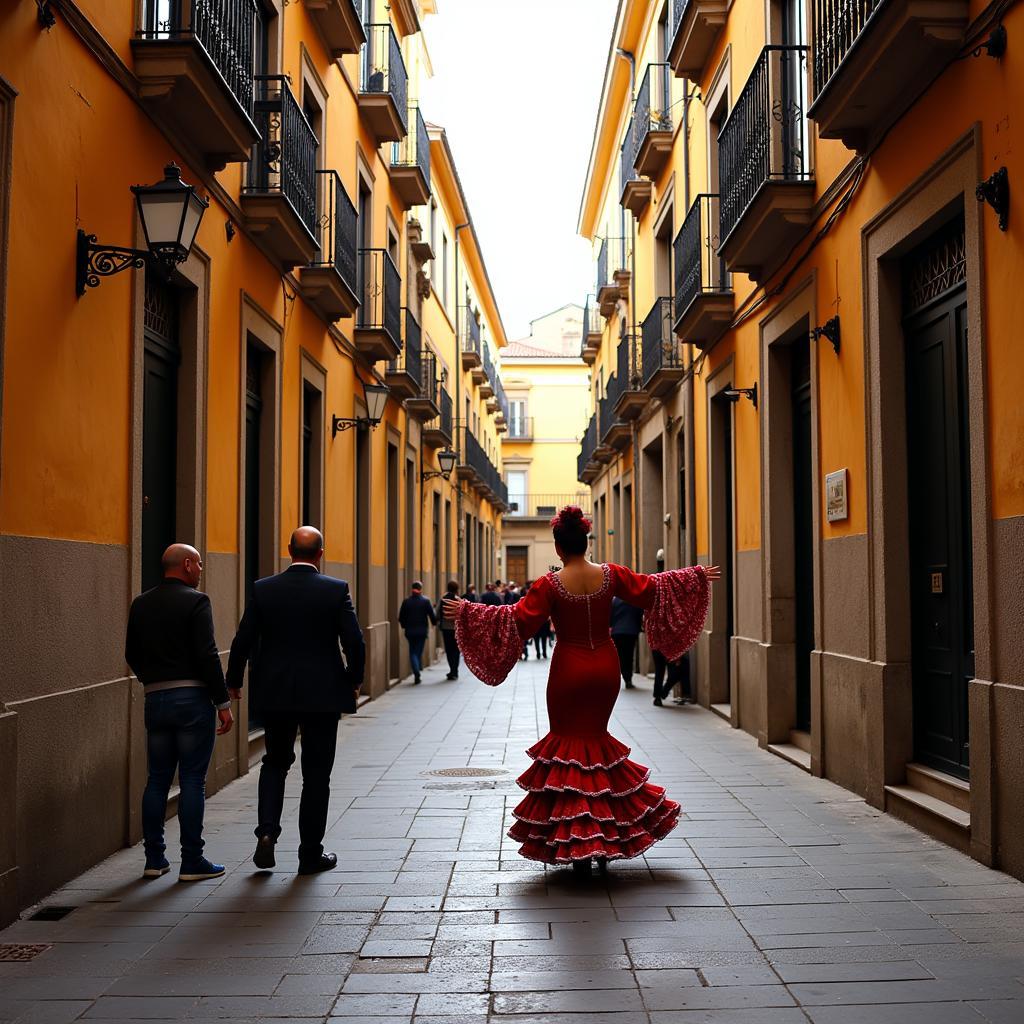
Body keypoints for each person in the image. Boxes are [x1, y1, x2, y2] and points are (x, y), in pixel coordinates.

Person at [444, 505, 717, 875]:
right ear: (586, 542)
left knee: (568, 747)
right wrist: (694, 576)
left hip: (568, 669)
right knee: (596, 743)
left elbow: (518, 620)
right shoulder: (610, 575)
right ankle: (606, 843)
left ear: (558, 548)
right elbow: (651, 587)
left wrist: (468, 611)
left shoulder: (549, 584)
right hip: (605, 665)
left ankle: (579, 842)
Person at [226, 526, 365, 876]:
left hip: (276, 693)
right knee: (316, 775)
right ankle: (309, 854)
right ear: (321, 553)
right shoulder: (335, 590)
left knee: (274, 762)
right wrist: (353, 679)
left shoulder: (264, 589)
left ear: (289, 550)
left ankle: (268, 832)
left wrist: (233, 682)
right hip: (322, 694)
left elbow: (243, 638)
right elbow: (354, 641)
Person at [125, 543, 234, 882]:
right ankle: (192, 861)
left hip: (155, 700)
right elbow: (207, 654)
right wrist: (223, 703)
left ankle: (154, 860)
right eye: (199, 564)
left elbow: (131, 652)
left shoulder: (141, 603)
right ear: (187, 565)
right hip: (192, 700)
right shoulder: (196, 601)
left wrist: (152, 680)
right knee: (191, 781)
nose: (201, 570)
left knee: (156, 779)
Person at [398, 581, 437, 684]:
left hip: (410, 631)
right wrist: (434, 623)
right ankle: (416, 671)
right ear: (421, 589)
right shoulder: (425, 601)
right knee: (417, 652)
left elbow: (401, 616)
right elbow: (431, 615)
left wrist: (404, 625)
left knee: (412, 651)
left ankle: (416, 670)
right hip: (421, 631)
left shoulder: (406, 601)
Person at [610, 595, 644, 689]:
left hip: (617, 632)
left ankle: (623, 675)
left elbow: (610, 616)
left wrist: (612, 625)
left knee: (620, 655)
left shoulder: (614, 601)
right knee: (629, 655)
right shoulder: (633, 599)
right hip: (630, 632)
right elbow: (639, 614)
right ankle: (628, 679)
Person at [436, 580, 461, 680]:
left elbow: (437, 613)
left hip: (446, 628)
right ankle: (455, 670)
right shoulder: (458, 600)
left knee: (449, 650)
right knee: (456, 650)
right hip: (456, 628)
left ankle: (452, 670)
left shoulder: (443, 599)